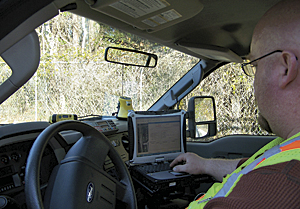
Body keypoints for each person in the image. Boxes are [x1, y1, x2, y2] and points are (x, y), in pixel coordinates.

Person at [170, 0, 300, 208]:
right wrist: (205, 164)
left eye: (255, 66)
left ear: (284, 69)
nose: (254, 82)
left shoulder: (281, 183)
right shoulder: (289, 148)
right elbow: (254, 166)